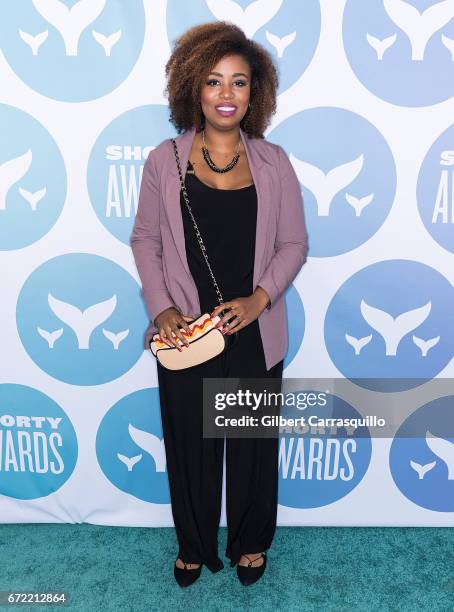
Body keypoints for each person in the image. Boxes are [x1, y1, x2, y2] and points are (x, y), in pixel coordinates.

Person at [130, 21, 308, 587]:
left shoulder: (275, 162)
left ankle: (251, 543)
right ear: (193, 89)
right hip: (188, 331)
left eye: (239, 82)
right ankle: (193, 545)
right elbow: (147, 240)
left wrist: (260, 299)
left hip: (254, 330)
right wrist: (162, 310)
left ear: (256, 94)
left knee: (252, 450)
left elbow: (294, 244)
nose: (226, 94)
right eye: (213, 81)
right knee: (191, 446)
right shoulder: (165, 160)